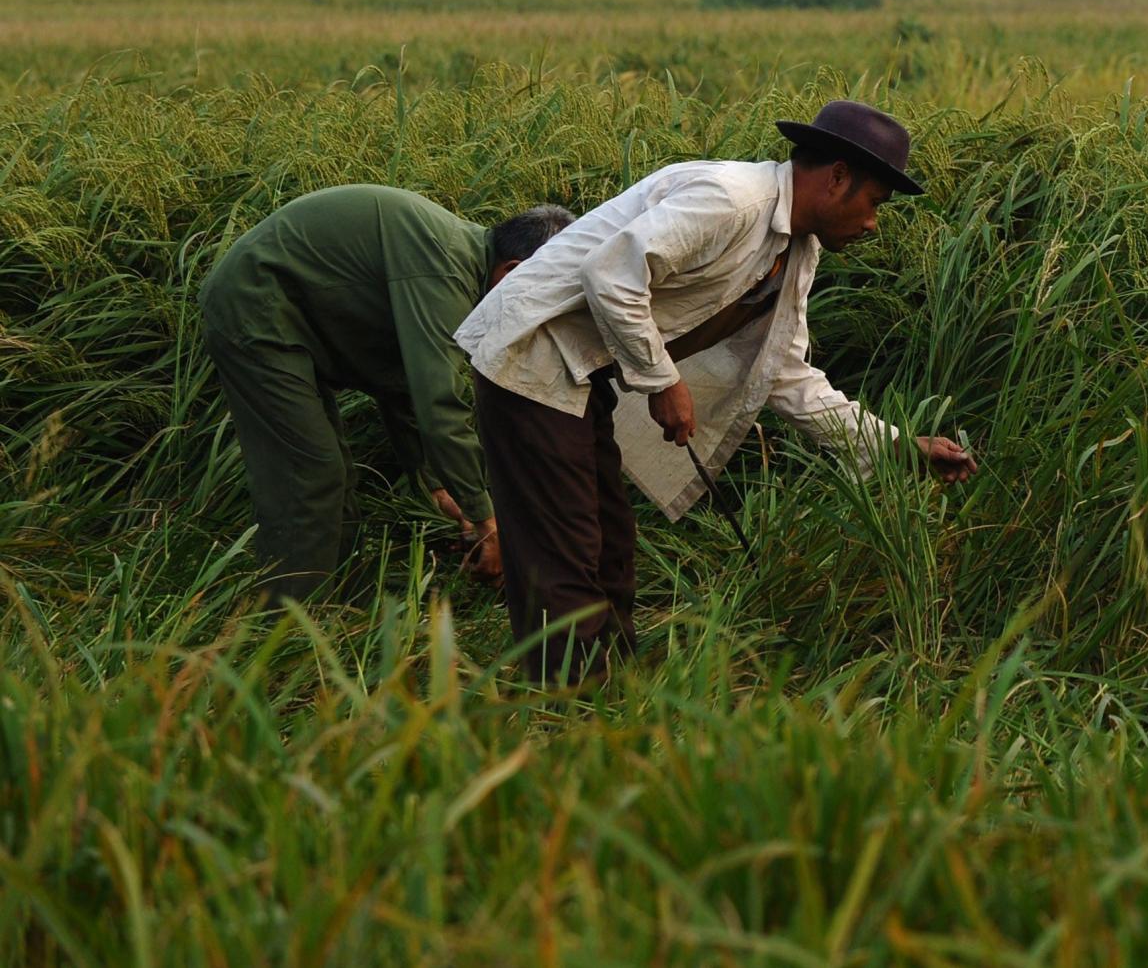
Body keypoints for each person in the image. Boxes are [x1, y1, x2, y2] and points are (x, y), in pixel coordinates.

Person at [459, 100, 975, 680]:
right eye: (875, 202)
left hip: (577, 371)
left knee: (609, 540)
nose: (873, 221)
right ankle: (570, 705)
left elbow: (786, 374)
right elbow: (612, 273)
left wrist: (898, 445)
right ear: (836, 177)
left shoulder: (795, 251)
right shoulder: (732, 200)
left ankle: (614, 689)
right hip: (530, 353)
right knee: (567, 547)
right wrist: (662, 381)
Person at [198, 187, 576, 602]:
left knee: (333, 471)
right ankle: (280, 624)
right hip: (254, 306)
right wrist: (486, 519)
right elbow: (439, 403)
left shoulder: (459, 263)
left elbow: (401, 381)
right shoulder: (444, 270)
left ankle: (335, 600)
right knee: (310, 473)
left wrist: (436, 484)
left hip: (290, 316)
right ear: (512, 271)